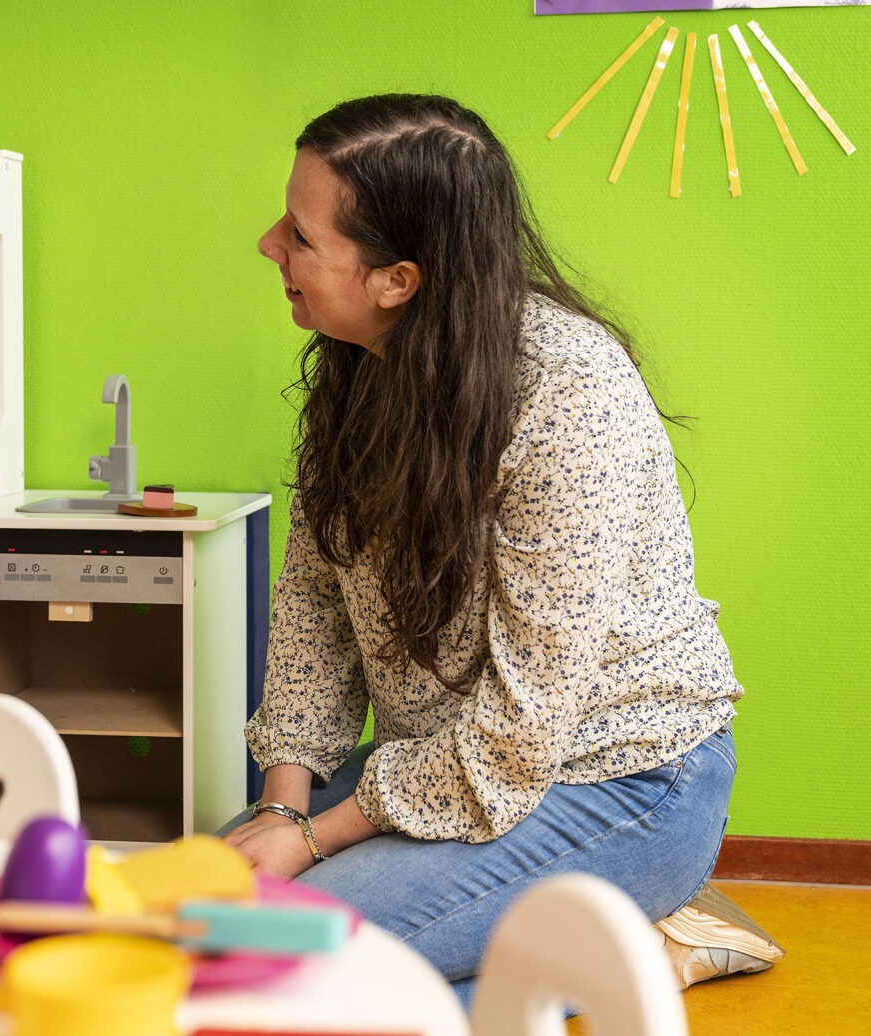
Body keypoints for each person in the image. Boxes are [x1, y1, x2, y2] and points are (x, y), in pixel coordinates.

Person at [219, 94, 774, 1008]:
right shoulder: (359, 367)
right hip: (448, 769)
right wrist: (283, 809)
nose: (270, 244)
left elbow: (518, 742)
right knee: (196, 915)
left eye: (302, 235)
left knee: (273, 963)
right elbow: (313, 616)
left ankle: (614, 924)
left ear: (398, 279)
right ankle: (588, 952)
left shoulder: (569, 395)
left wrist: (314, 841)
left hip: (621, 778)